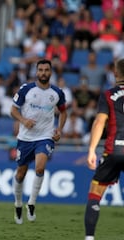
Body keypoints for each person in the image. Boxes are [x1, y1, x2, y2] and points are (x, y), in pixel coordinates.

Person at [11, 59, 67, 224]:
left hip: (45, 136)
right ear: (36, 72)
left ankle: (32, 203)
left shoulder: (57, 92)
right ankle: (18, 204)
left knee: (40, 167)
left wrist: (59, 129)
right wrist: (23, 120)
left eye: (46, 70)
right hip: (25, 138)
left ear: (51, 72)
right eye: (40, 70)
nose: (43, 73)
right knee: (20, 173)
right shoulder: (26, 89)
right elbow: (13, 110)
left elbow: (64, 112)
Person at [84, 58, 124, 240]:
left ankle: (90, 238)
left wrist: (92, 150)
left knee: (96, 190)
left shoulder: (108, 94)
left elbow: (100, 121)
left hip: (114, 150)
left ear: (115, 73)